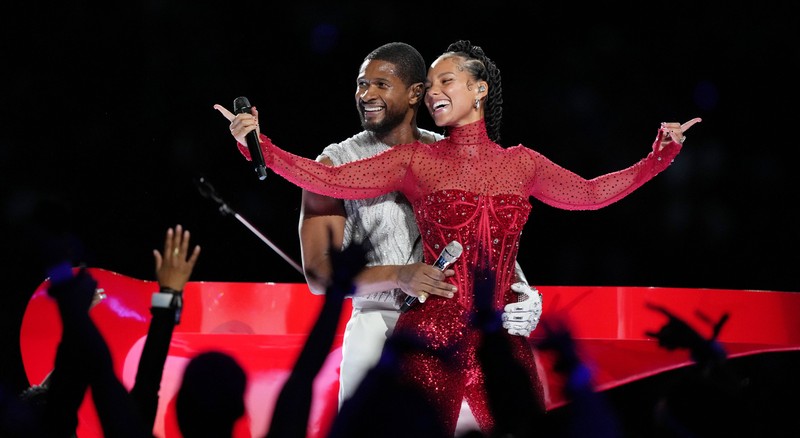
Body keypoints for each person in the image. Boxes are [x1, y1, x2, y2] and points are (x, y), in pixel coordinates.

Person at [216, 39, 701, 435]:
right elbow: (328, 180)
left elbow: (592, 194)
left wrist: (657, 160)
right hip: (428, 331)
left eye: (444, 82)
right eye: (429, 87)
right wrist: (259, 145)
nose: (432, 94)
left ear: (480, 89)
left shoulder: (523, 163)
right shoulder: (417, 160)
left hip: (497, 336)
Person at [214, 41, 541, 431]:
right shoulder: (333, 163)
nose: (366, 95)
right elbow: (319, 275)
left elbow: (491, 243)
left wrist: (525, 292)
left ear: (416, 92)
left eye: (381, 85)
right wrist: (399, 275)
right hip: (376, 324)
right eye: (361, 84)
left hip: (456, 332)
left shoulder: (449, 153)